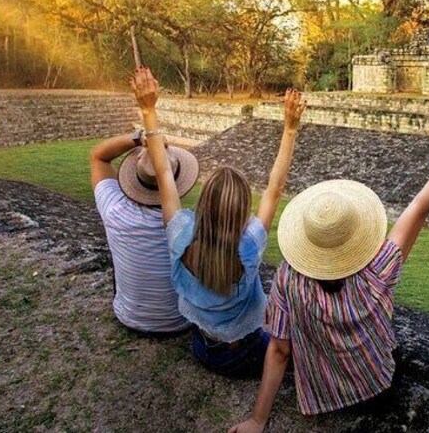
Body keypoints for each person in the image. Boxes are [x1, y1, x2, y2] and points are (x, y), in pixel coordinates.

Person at [230, 98, 429, 432]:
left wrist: (258, 419)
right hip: (377, 386)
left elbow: (279, 351)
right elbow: (422, 204)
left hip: (325, 391)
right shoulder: (377, 269)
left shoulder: (288, 278)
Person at [130, 67, 307, 378]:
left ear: (204, 203)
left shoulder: (181, 232)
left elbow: (162, 175)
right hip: (244, 353)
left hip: (201, 346)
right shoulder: (250, 242)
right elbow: (275, 189)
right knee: (298, 344)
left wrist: (148, 109)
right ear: (242, 213)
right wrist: (290, 130)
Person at [90, 121, 200, 335]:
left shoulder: (114, 210)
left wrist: (139, 138)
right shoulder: (191, 226)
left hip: (128, 317)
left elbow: (98, 156)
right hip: (179, 322)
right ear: (177, 181)